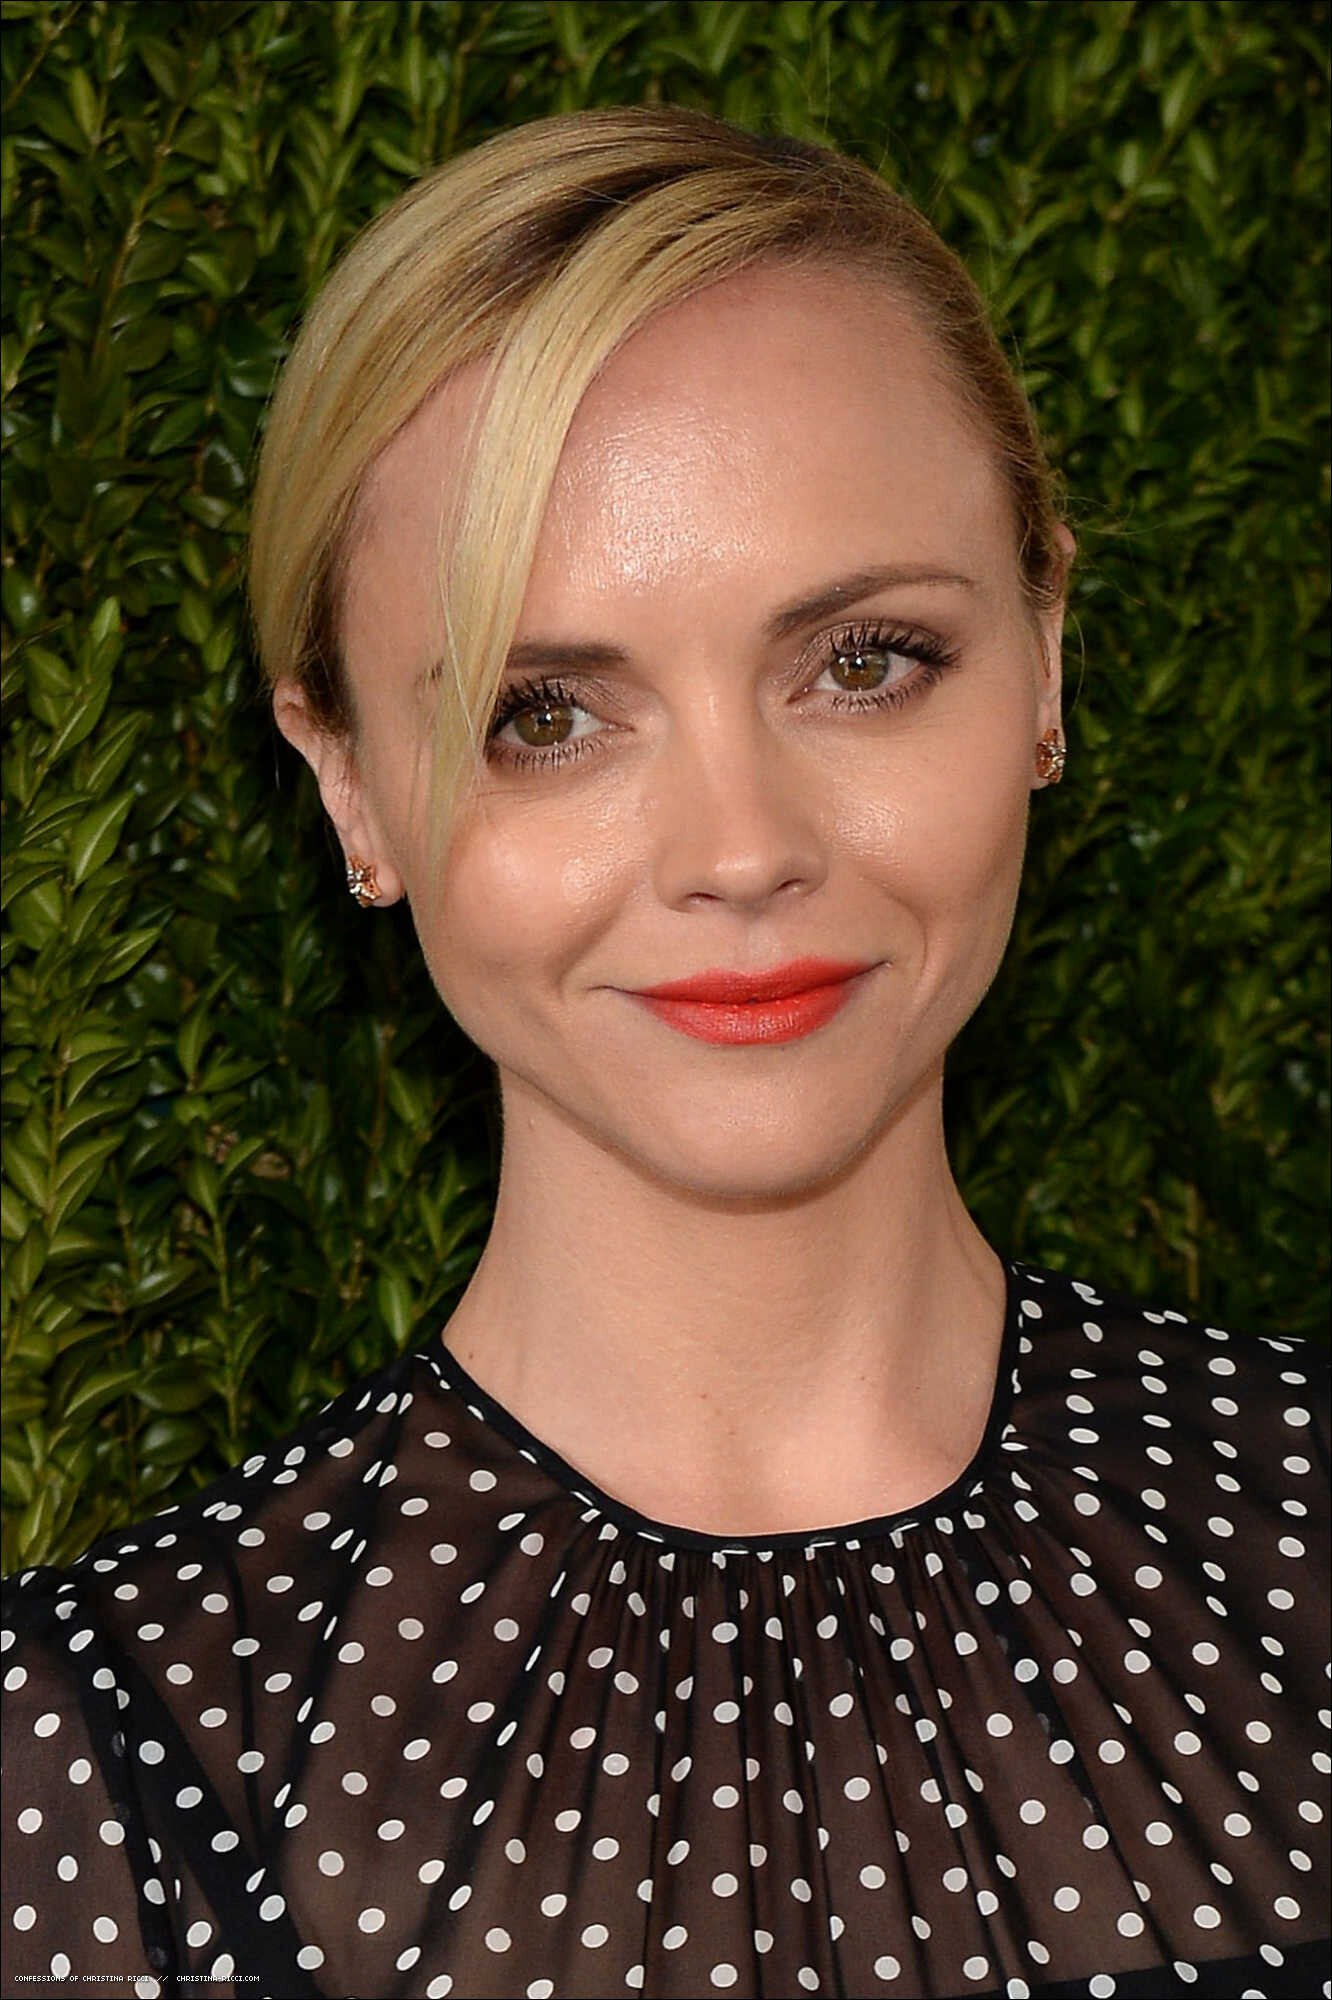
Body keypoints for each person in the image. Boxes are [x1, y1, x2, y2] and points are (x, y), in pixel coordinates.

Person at [2, 105, 1327, 2000]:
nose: (741, 847)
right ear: (348, 778)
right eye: (547, 713)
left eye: (862, 662)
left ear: (1045, 653)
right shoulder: (104, 1760)